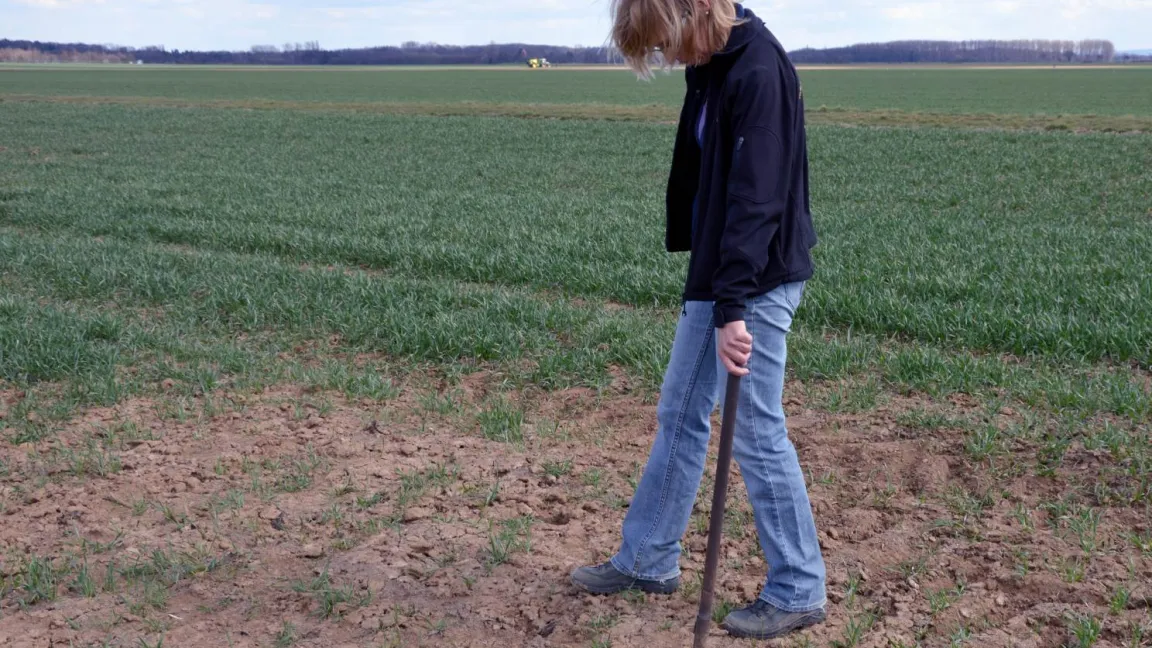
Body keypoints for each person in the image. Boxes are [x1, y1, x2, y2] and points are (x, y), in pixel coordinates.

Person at [570, 0, 827, 640]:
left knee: (756, 429)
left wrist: (733, 305)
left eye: (665, 42)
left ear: (693, 10)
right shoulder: (711, 65)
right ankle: (649, 559)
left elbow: (757, 200)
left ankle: (798, 586)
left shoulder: (757, 71)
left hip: (756, 279)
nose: (667, 57)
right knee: (680, 413)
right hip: (721, 274)